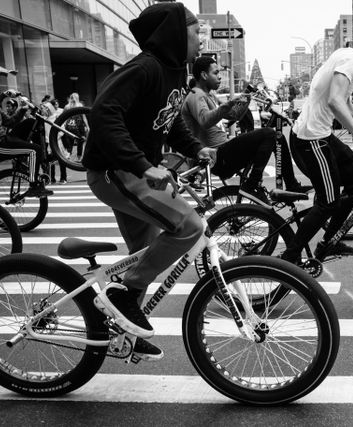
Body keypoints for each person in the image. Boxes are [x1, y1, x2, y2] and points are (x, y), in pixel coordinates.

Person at [82, 2, 214, 361]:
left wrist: (194, 148)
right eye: (196, 30)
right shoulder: (145, 68)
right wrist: (143, 165)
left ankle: (124, 326)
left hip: (134, 172)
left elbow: (168, 121)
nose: (201, 38)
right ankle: (124, 295)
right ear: (174, 33)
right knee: (188, 226)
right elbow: (103, 113)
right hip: (116, 171)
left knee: (147, 251)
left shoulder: (174, 72)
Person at [280, 15, 353, 264]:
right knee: (329, 202)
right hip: (310, 140)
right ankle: (290, 258)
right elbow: (334, 101)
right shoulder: (350, 60)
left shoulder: (348, 56)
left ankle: (328, 242)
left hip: (322, 136)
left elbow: (347, 103)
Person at [181, 56, 311, 208]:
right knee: (268, 133)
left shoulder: (208, 95)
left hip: (224, 152)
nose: (220, 77)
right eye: (216, 73)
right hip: (218, 155)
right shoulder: (196, 95)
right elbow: (205, 120)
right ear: (204, 75)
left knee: (278, 137)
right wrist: (229, 103)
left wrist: (246, 98)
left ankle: (292, 184)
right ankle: (252, 183)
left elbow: (234, 115)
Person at [0, 77, 52, 198]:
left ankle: (43, 157)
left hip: (5, 138)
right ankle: (33, 186)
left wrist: (23, 110)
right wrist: (5, 94)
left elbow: (10, 122)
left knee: (31, 122)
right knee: (34, 150)